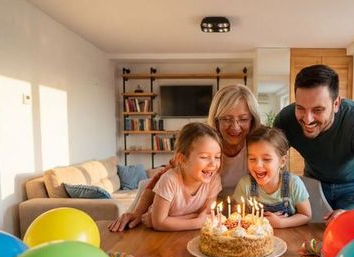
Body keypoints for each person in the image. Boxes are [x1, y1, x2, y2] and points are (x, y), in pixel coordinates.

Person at [108, 84, 262, 232]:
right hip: (200, 214)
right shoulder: (203, 142)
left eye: (243, 119)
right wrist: (137, 212)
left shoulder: (259, 148)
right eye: (227, 119)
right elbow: (159, 180)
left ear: (252, 119)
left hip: (225, 215)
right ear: (216, 119)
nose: (235, 127)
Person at [273, 64, 354, 222]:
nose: (307, 119)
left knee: (347, 236)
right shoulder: (285, 120)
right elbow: (271, 159)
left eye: (317, 110)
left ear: (336, 104)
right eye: (300, 108)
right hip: (313, 185)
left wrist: (351, 210)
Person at [137, 122, 222, 231]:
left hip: (187, 235)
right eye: (204, 157)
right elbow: (159, 223)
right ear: (182, 159)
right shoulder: (169, 180)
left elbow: (207, 214)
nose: (213, 164)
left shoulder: (214, 180)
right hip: (158, 238)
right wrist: (197, 221)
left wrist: (170, 220)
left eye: (217, 157)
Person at [233, 127, 311, 228]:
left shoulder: (293, 183)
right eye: (252, 158)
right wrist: (259, 221)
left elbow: (306, 215)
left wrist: (281, 223)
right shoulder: (245, 184)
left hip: (289, 238)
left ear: (282, 161)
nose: (258, 165)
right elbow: (236, 214)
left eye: (266, 159)